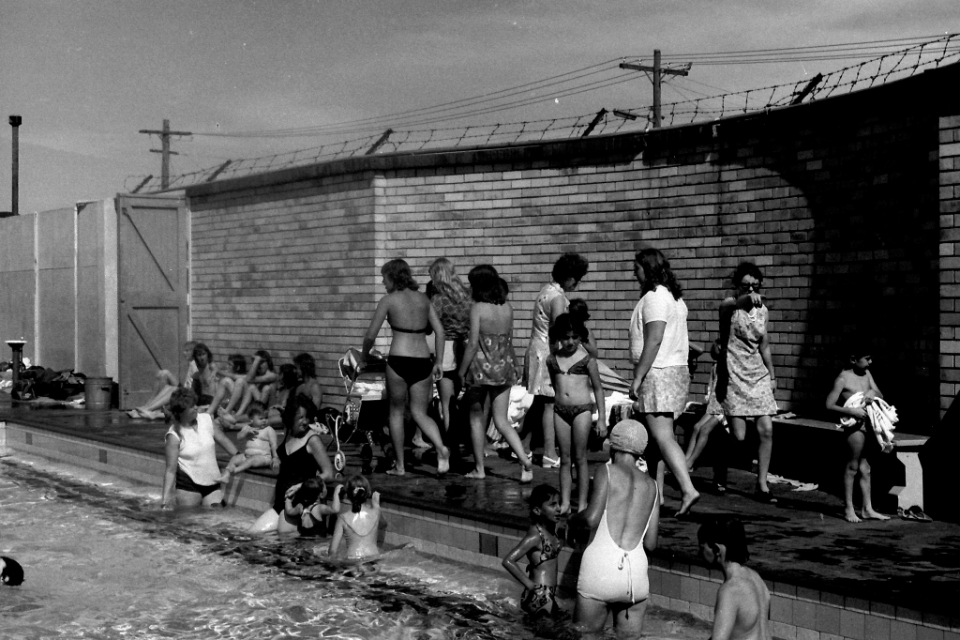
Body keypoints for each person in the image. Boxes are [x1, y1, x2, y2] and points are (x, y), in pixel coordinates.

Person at [361, 259, 451, 477]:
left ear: (393, 277)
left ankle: (400, 466)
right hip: (423, 361)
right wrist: (439, 361)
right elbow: (440, 331)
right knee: (420, 412)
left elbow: (371, 334)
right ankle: (441, 448)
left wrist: (364, 355)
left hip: (399, 360)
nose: (383, 282)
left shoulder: (388, 300)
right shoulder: (423, 299)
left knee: (396, 412)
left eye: (384, 277)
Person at [571, 420, 660, 638]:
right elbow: (651, 543)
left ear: (612, 446)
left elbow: (591, 519)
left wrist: (573, 520)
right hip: (635, 578)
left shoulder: (607, 471)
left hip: (601, 570)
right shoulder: (653, 486)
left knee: (586, 636)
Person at [629, 248, 699, 517]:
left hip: (659, 372)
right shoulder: (672, 297)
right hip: (670, 371)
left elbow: (654, 339)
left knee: (662, 435)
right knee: (658, 439)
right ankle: (657, 495)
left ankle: (686, 487)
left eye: (637, 269)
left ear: (647, 268)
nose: (635, 275)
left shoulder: (656, 297)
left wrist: (638, 376)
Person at [457, 265, 533, 483]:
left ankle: (479, 468)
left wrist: (461, 371)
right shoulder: (507, 308)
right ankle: (524, 460)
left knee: (475, 418)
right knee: (501, 420)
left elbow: (472, 344)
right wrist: (516, 366)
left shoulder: (478, 308)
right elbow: (509, 341)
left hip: (480, 370)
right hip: (503, 367)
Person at [715, 262, 779, 503]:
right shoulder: (729, 306)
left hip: (758, 373)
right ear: (737, 286)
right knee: (739, 436)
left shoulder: (763, 310)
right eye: (745, 285)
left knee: (766, 429)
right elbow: (732, 305)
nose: (751, 289)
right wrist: (746, 298)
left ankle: (762, 485)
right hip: (733, 372)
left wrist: (772, 376)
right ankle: (719, 464)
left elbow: (764, 344)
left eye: (755, 285)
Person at [525, 253, 590, 469]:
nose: (577, 283)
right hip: (548, 352)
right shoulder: (558, 298)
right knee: (551, 403)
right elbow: (561, 330)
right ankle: (550, 453)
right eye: (576, 278)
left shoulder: (545, 291)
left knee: (540, 401)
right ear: (569, 277)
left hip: (536, 349)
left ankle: (524, 445)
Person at [249, 394, 336, 534]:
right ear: (292, 417)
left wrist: (300, 486)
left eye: (307, 417)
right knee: (250, 536)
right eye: (301, 417)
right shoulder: (289, 431)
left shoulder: (313, 440)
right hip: (280, 506)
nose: (305, 421)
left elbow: (329, 474)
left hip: (300, 508)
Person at [548, 314, 606, 514]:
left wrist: (602, 421)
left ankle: (582, 504)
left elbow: (598, 389)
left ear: (581, 337)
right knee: (564, 458)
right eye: (566, 337)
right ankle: (565, 502)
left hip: (582, 409)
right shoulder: (552, 359)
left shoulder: (587, 360)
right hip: (560, 410)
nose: (570, 342)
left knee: (580, 457)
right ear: (559, 338)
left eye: (574, 337)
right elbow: (555, 386)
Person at [825, 345, 891, 523]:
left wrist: (871, 392)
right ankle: (848, 508)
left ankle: (867, 508)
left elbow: (880, 393)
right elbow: (829, 405)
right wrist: (853, 412)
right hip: (855, 427)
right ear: (854, 359)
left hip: (869, 423)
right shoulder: (842, 378)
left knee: (866, 468)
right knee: (852, 466)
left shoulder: (867, 375)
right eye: (867, 358)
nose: (871, 362)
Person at [161, 388, 242, 509]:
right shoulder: (174, 435)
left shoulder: (206, 419)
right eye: (191, 407)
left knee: (216, 519)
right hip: (188, 485)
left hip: (213, 483)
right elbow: (170, 470)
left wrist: (240, 456)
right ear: (182, 412)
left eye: (195, 404)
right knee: (189, 523)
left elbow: (226, 442)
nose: (195, 408)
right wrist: (164, 500)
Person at [698, 517, 771, 640]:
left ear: (716, 550)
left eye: (702, 548)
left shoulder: (731, 590)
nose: (698, 554)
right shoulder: (756, 579)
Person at [425, 257, 473, 443]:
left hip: (444, 348)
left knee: (446, 401)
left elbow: (431, 325)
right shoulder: (468, 296)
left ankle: (450, 440)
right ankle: (464, 437)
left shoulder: (438, 299)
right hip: (464, 347)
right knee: (459, 397)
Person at [502, 484, 563, 618]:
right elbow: (508, 561)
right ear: (537, 510)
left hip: (546, 595)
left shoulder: (551, 529)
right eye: (553, 505)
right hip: (539, 595)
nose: (559, 508)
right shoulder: (535, 536)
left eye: (559, 503)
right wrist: (530, 585)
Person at [684, 340, 727, 482]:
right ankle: (686, 459)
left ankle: (692, 461)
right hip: (714, 404)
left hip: (724, 406)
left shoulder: (728, 368)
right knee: (696, 426)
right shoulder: (715, 367)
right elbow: (711, 387)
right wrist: (708, 400)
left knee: (705, 429)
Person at [127, 340, 198, 419]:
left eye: (187, 351)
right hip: (185, 388)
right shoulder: (191, 363)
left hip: (189, 393)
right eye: (184, 350)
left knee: (173, 389)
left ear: (193, 352)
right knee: (164, 374)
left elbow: (192, 387)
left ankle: (147, 409)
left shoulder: (195, 365)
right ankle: (147, 405)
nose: (184, 353)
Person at [218, 403, 278, 483]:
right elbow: (238, 437)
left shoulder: (268, 430)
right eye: (261, 418)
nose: (264, 420)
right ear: (251, 419)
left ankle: (236, 470)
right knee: (234, 458)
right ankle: (226, 475)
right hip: (247, 456)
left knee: (251, 460)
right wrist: (245, 433)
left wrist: (275, 458)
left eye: (266, 418)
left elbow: (274, 445)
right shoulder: (247, 428)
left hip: (264, 457)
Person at [330, 474, 382, 560]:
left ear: (347, 495)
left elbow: (332, 551)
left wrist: (336, 494)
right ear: (368, 493)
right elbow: (383, 524)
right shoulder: (376, 512)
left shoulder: (343, 518)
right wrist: (376, 503)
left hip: (353, 560)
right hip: (374, 559)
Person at [214, 350, 278, 420]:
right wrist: (218, 371)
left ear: (268, 362)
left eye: (261, 362)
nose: (259, 365)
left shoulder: (272, 375)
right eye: (258, 363)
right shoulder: (256, 375)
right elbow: (236, 376)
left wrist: (256, 361)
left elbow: (249, 379)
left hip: (264, 409)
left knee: (252, 387)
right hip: (251, 405)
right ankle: (218, 412)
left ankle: (237, 415)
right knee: (232, 381)